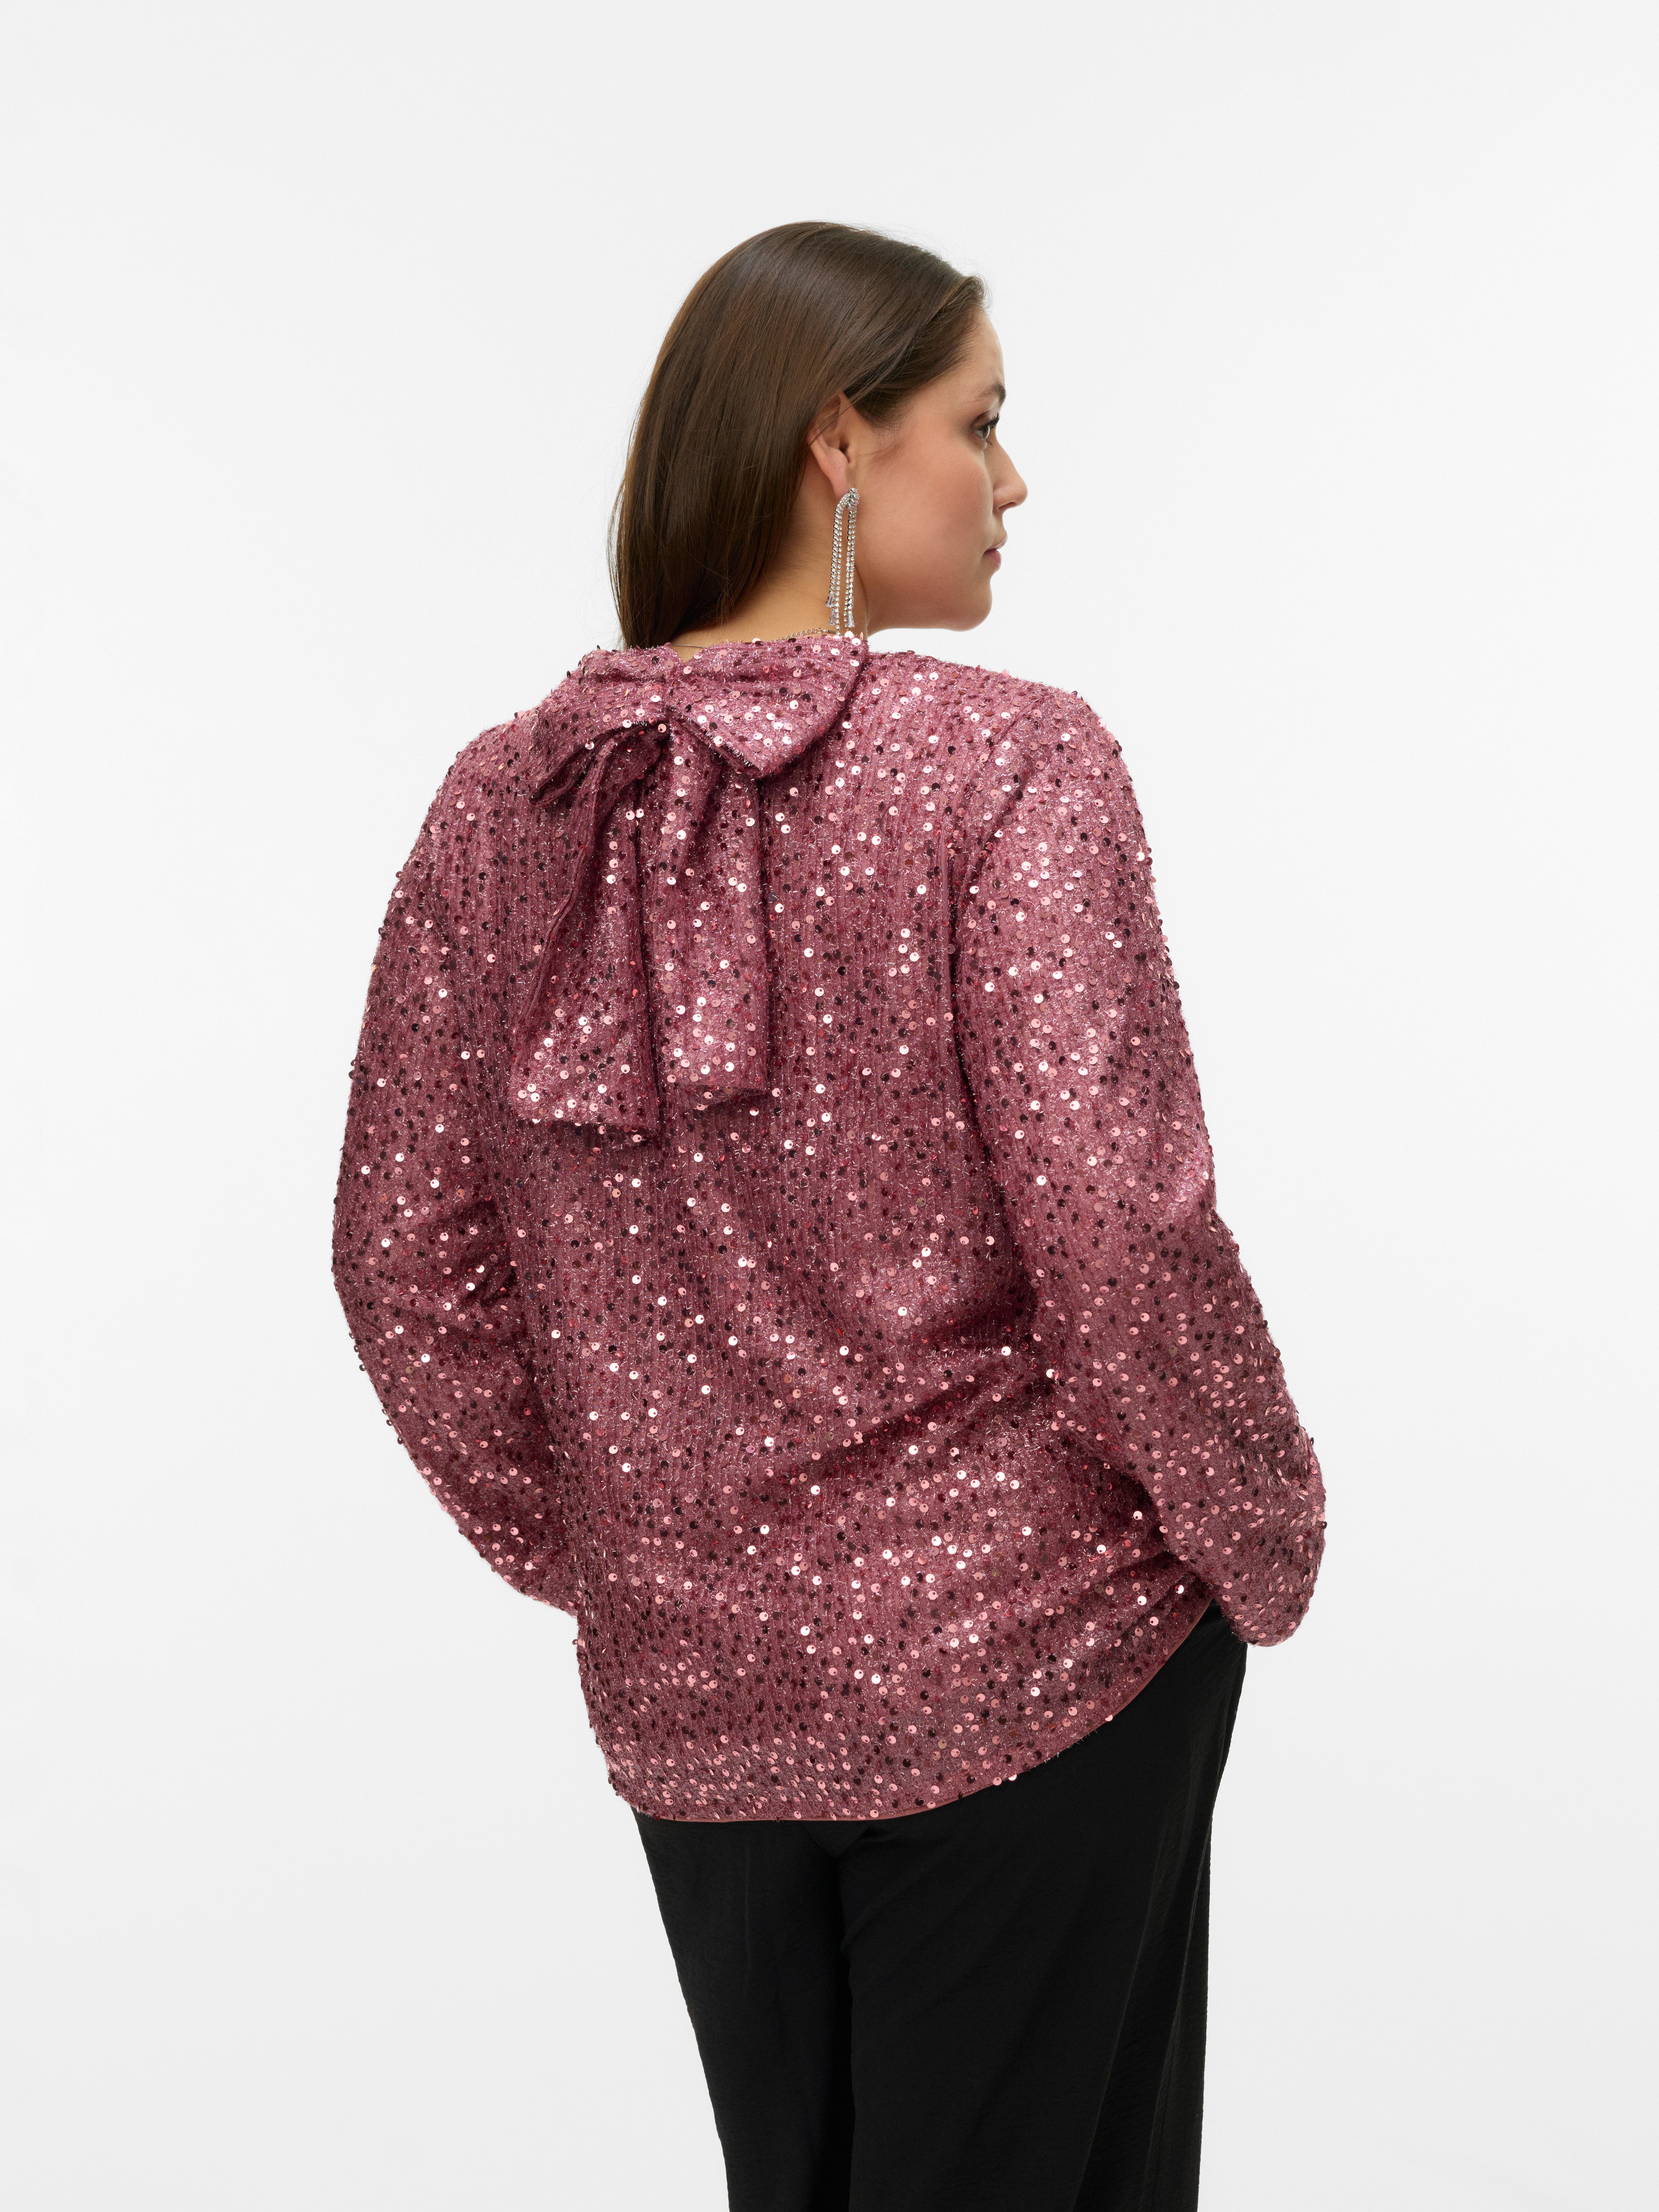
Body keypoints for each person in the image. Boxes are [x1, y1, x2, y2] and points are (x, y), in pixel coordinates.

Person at [331, 220, 1326, 2212]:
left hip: (701, 1705)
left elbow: (403, 1263)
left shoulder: (497, 804)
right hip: (1045, 1664)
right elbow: (1119, 1226)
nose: (1015, 480)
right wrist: (1267, 1531)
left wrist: (641, 1561)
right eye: (982, 420)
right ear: (838, 444)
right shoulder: (1010, 761)